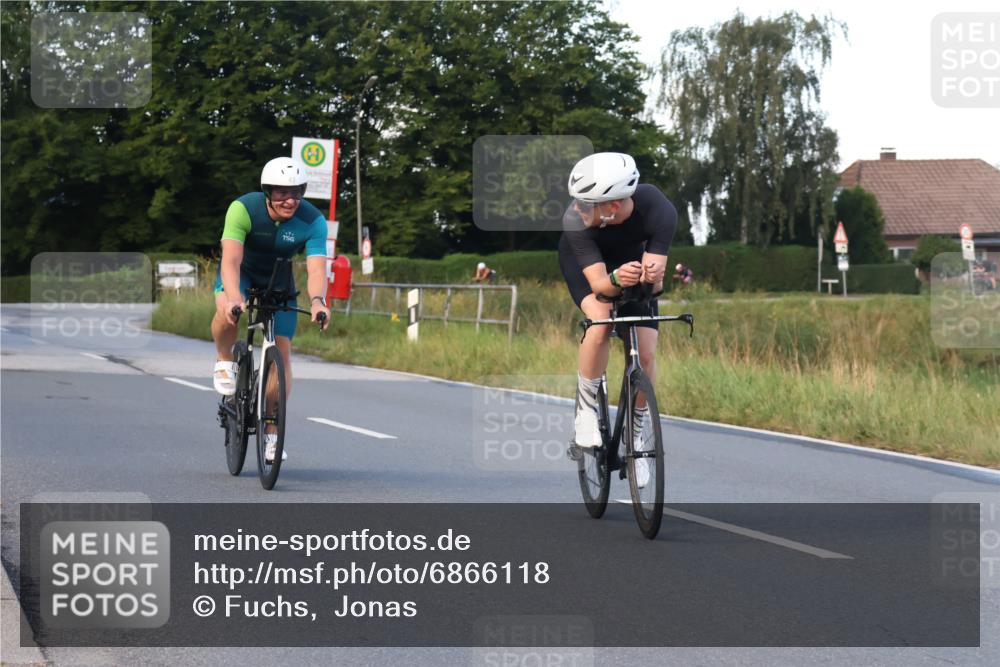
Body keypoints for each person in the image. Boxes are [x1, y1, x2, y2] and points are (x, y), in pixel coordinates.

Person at [559, 152, 678, 488]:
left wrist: (650, 277)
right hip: (592, 269)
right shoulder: (574, 221)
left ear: (611, 206)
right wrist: (615, 279)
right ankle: (585, 411)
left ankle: (636, 438)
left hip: (631, 261)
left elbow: (655, 285)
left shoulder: (659, 209)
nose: (577, 209)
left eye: (586, 204)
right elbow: (599, 285)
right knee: (600, 320)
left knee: (647, 348)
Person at [210, 157, 330, 462]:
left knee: (282, 354)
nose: (290, 200)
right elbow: (231, 261)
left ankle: (272, 435)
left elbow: (317, 269)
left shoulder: (312, 220)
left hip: (279, 280)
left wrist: (318, 302)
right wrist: (235, 298)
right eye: (281, 193)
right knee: (226, 309)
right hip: (242, 274)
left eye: (297, 192)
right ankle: (225, 359)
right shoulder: (243, 208)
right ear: (267, 192)